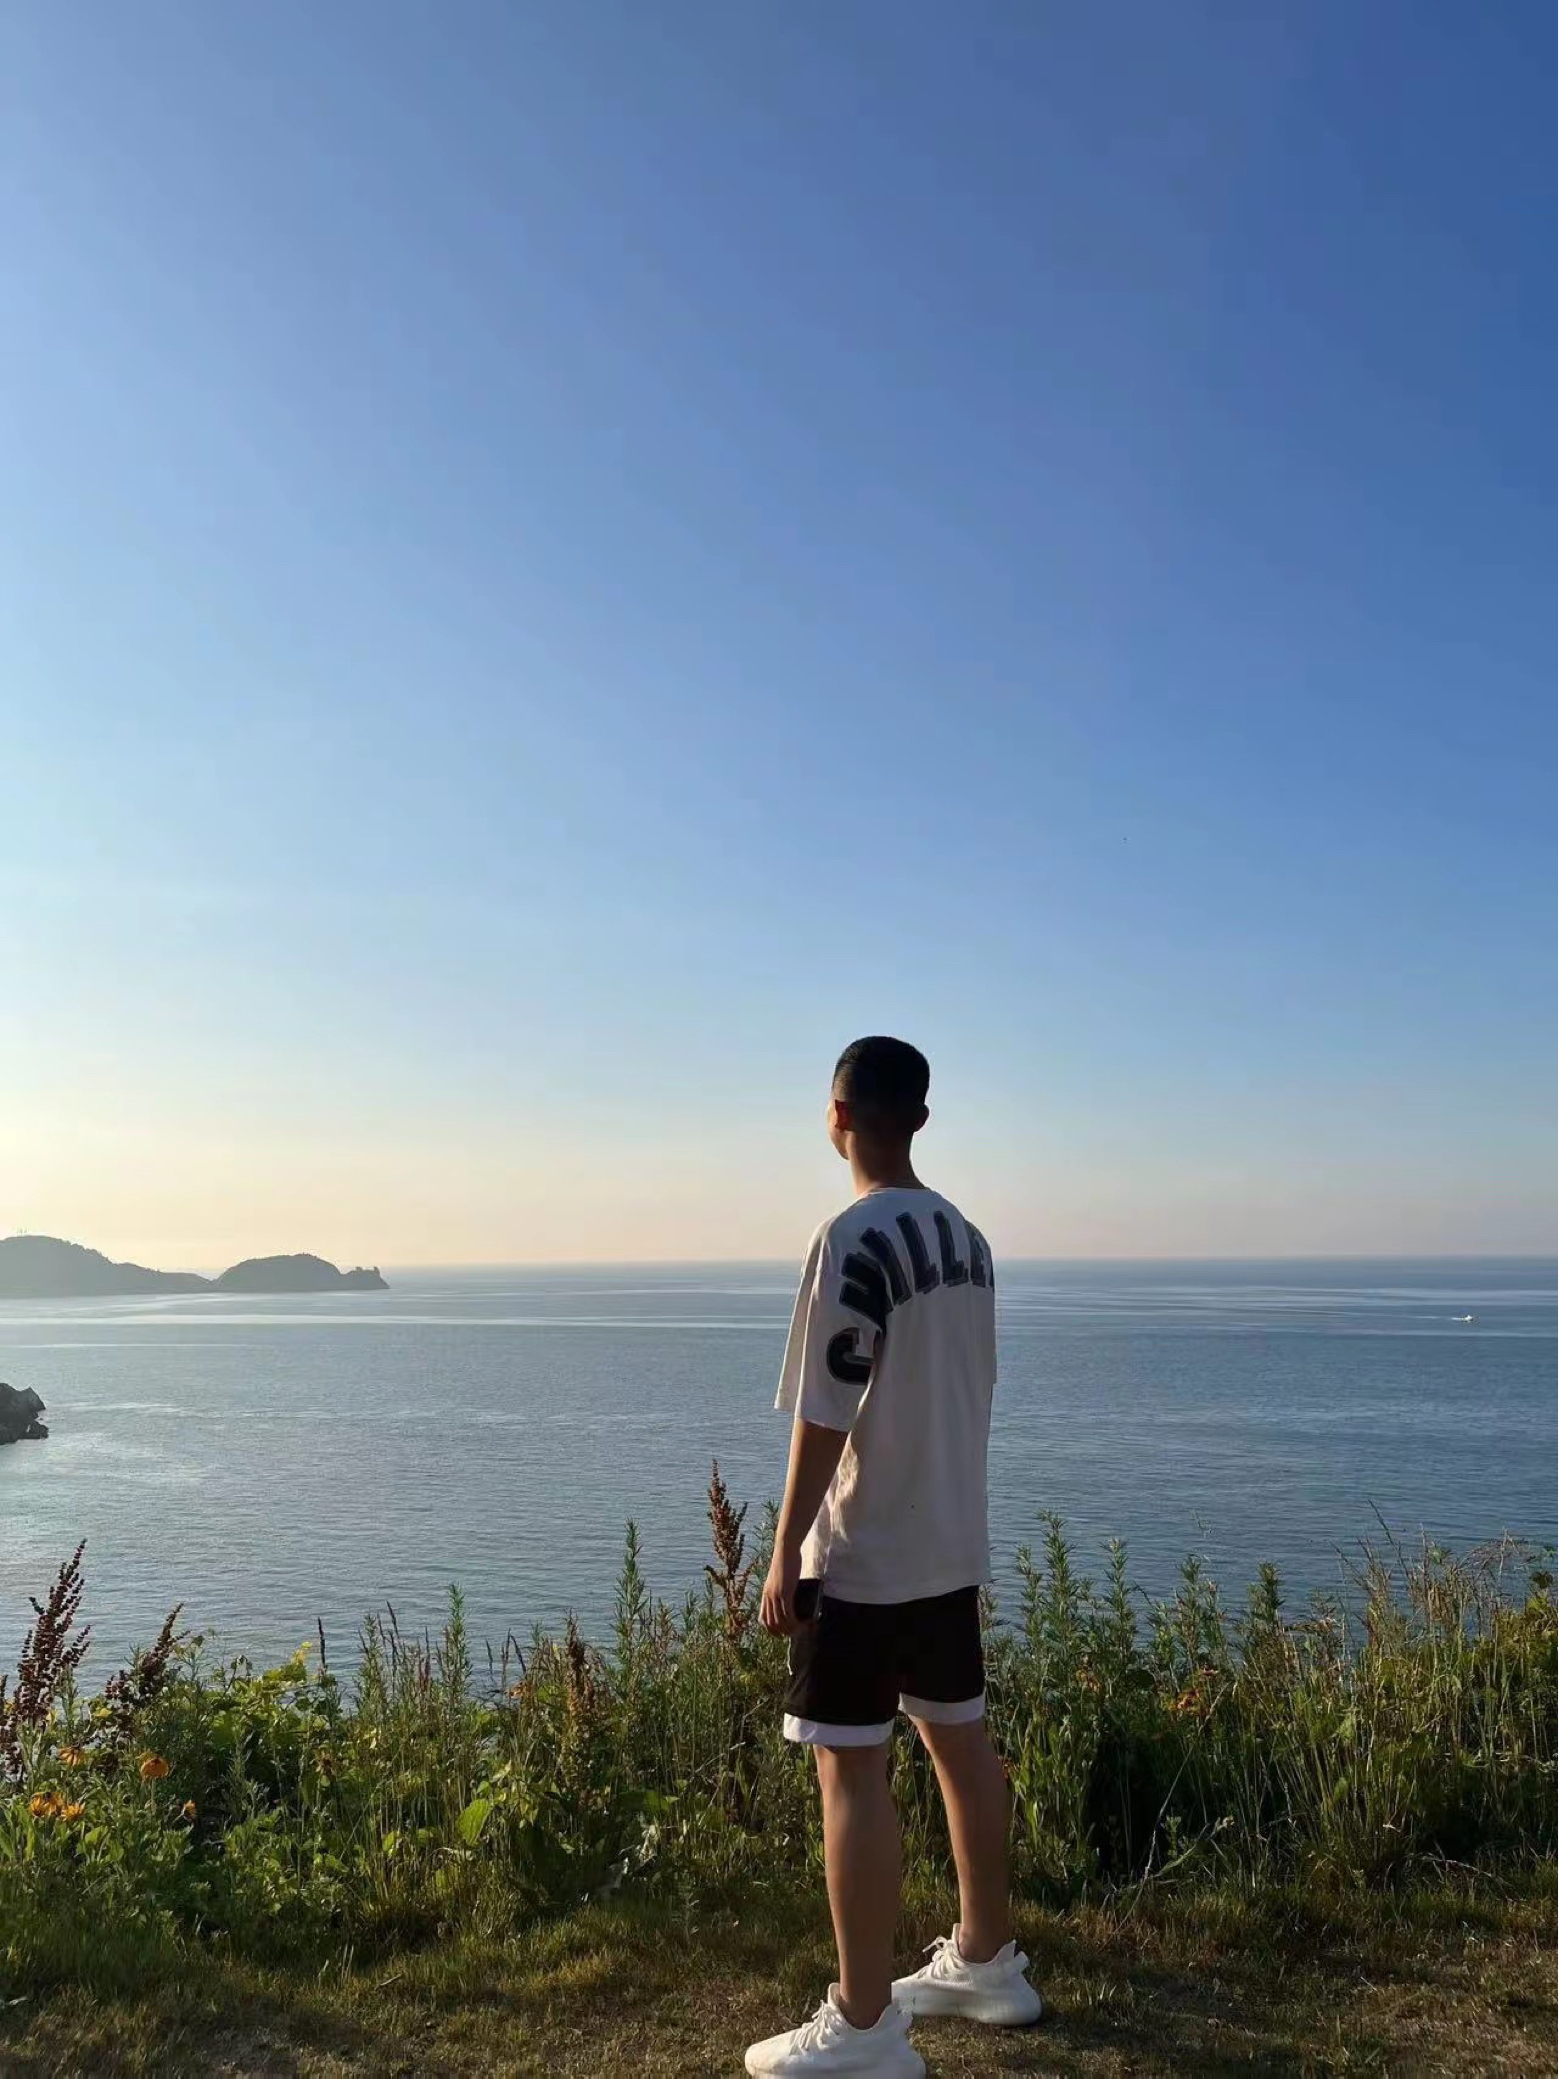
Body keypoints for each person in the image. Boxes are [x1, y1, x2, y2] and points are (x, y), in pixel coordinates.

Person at [745, 1037, 1042, 2078]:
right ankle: (986, 1960)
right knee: (961, 1747)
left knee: (849, 1766)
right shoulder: (969, 1240)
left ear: (835, 1117)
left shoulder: (850, 1237)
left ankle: (865, 2024)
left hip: (865, 1551)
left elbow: (826, 1410)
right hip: (950, 1541)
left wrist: (786, 1549)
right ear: (918, 1117)